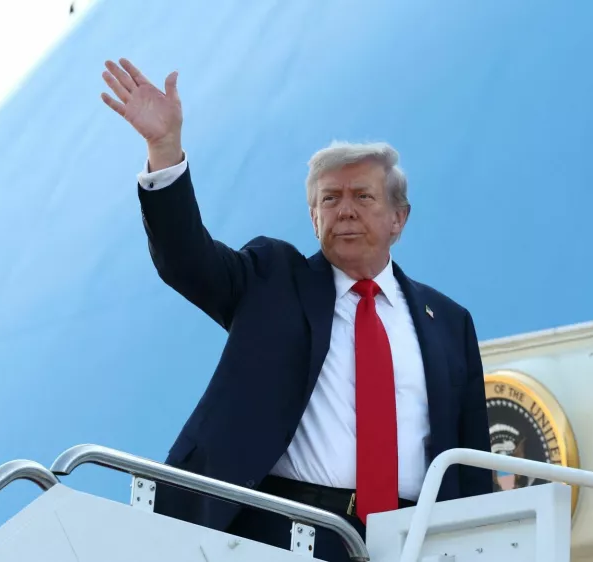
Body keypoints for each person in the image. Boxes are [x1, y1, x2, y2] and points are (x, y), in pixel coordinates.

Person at [99, 58, 492, 561]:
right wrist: (164, 149)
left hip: (415, 542)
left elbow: (472, 463)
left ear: (398, 218)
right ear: (312, 216)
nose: (345, 209)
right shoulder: (273, 280)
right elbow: (187, 260)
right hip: (291, 534)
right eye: (330, 199)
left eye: (362, 196)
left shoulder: (449, 322)